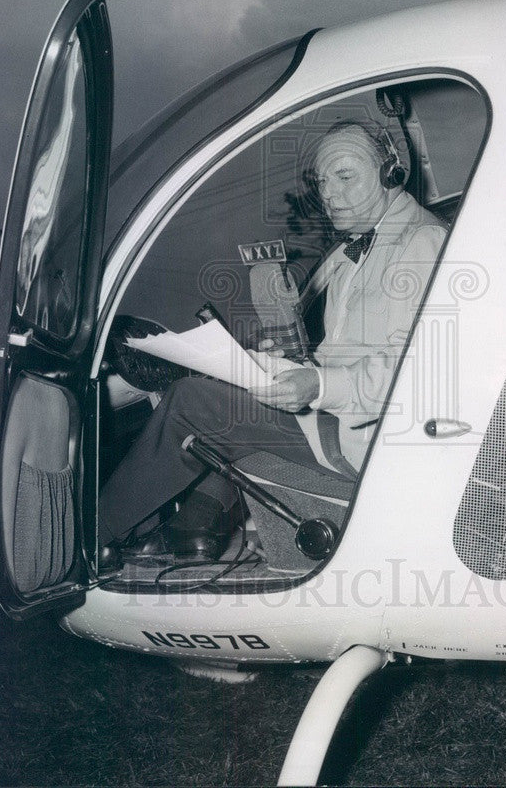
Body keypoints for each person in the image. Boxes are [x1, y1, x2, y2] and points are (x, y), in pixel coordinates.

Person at [98, 119, 446, 564]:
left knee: (191, 401)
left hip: (367, 441)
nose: (329, 195)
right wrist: (287, 366)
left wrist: (318, 386)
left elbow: (416, 372)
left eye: (345, 176)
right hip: (337, 420)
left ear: (389, 174)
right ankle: (175, 535)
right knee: (226, 393)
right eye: (322, 182)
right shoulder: (349, 254)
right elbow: (341, 354)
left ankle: (91, 539)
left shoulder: (423, 242)